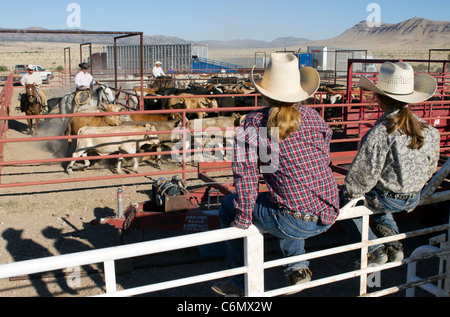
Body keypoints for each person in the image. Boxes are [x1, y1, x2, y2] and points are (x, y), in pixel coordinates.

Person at [211, 53, 340, 296]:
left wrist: (242, 219)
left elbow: (246, 178)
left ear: (263, 92)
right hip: (330, 210)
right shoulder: (313, 116)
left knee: (230, 205)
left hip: (294, 221)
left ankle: (239, 283)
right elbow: (322, 157)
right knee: (288, 192)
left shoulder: (254, 122)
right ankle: (296, 267)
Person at [341, 62, 440, 265]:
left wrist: (349, 193)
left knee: (350, 199)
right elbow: (431, 167)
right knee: (376, 193)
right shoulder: (429, 130)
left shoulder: (380, 133)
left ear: (379, 99)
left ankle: (374, 250)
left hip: (387, 199)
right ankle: (393, 242)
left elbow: (362, 176)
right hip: (414, 197)